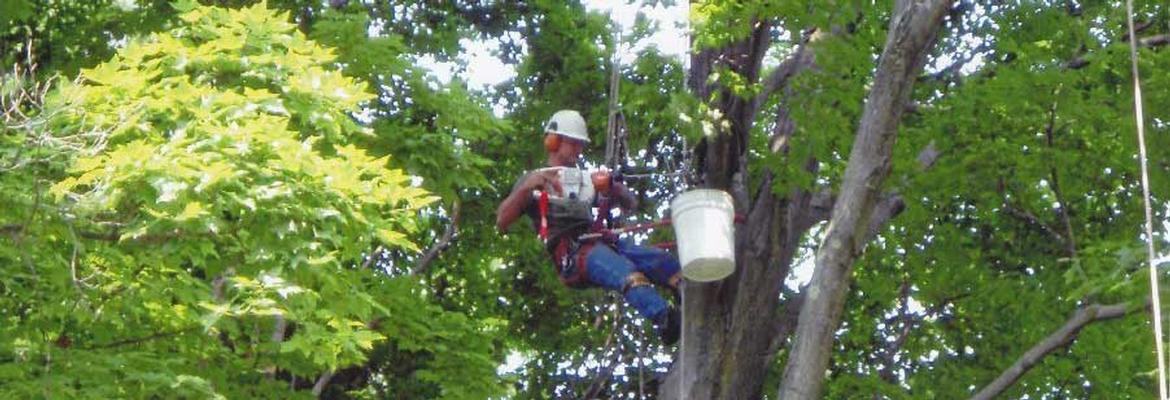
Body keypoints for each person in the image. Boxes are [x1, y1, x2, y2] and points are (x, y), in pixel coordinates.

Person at [496, 109, 681, 345]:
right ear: (553, 141)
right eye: (573, 143)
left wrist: (612, 187)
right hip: (573, 254)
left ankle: (684, 287)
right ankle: (664, 317)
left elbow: (630, 204)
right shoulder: (535, 180)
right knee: (626, 273)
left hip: (600, 242)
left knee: (657, 260)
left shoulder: (585, 180)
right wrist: (526, 190)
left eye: (580, 145)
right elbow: (502, 220)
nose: (578, 150)